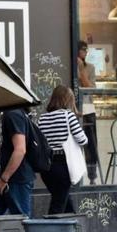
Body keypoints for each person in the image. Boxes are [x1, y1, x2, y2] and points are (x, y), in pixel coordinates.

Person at [39, 85, 88, 215]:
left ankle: (75, 231)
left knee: (64, 201)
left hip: (47, 167)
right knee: (58, 206)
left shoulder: (42, 119)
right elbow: (83, 140)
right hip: (63, 164)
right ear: (67, 100)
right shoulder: (68, 116)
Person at [77, 41, 100, 185]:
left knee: (90, 144)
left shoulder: (90, 68)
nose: (85, 52)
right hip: (73, 111)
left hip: (87, 110)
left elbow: (91, 89)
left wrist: (81, 71)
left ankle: (92, 177)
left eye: (87, 50)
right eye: (83, 49)